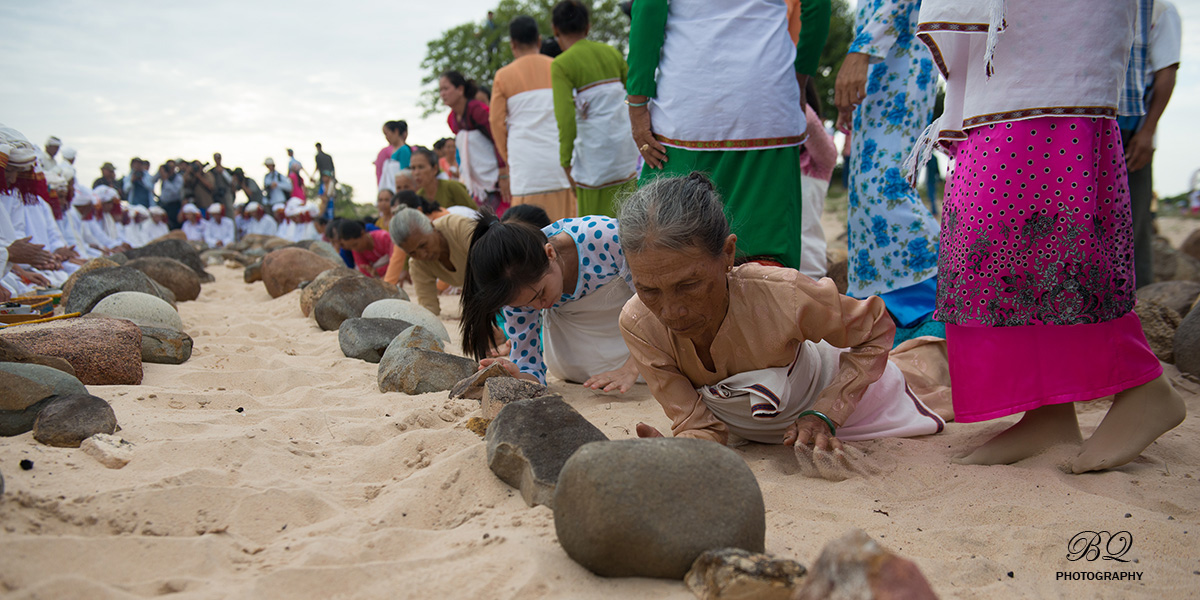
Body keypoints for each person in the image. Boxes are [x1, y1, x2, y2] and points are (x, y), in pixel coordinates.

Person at [913, 0, 1185, 473]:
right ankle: (1047, 410)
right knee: (989, 240)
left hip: (1059, 28)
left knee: (1040, 228)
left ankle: (1143, 385)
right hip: (1002, 38)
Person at [617, 174, 948, 461]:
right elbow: (700, 427)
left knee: (933, 372)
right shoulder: (640, 324)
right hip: (761, 432)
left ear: (728, 254)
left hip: (859, 401)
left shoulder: (783, 294)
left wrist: (826, 412)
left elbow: (874, 329)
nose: (671, 312)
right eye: (648, 290)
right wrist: (681, 454)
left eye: (689, 285)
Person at [627, 0, 829, 267]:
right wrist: (800, 78)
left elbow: (649, 8)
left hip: (686, 106)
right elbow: (817, 6)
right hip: (766, 102)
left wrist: (637, 101)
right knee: (765, 256)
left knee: (669, 248)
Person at [833, 0, 941, 331]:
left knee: (884, 185)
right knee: (863, 194)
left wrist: (861, 50)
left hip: (903, 58)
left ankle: (964, 280)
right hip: (875, 73)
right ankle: (889, 305)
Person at [463, 212, 642, 391]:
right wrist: (516, 375)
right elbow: (531, 371)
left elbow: (652, 300)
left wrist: (631, 368)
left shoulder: (604, 238)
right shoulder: (516, 294)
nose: (539, 306)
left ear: (550, 253)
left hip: (641, 336)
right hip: (575, 364)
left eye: (541, 293)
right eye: (526, 305)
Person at [550, 0, 639, 218]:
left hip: (593, 163)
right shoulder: (611, 53)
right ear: (588, 27)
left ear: (555, 30)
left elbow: (565, 119)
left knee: (594, 226)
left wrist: (565, 161)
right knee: (630, 221)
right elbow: (635, 95)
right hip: (625, 154)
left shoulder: (561, 64)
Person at [1118, 0, 1181, 287]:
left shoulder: (1160, 10)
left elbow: (1166, 72)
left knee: (1132, 219)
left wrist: (1148, 132)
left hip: (1132, 131)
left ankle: (1140, 296)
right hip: (1092, 125)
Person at [491, 15, 577, 223]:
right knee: (567, 231)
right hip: (561, 164)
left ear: (512, 44)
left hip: (526, 168)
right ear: (538, 40)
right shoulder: (558, 67)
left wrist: (509, 156)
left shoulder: (503, 76)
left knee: (526, 233)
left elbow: (495, 122)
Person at [440, 70, 509, 213]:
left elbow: (498, 137)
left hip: (496, 174)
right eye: (440, 90)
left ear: (460, 89)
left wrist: (503, 172)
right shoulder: (451, 119)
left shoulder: (477, 110)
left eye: (446, 89)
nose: (443, 94)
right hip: (476, 182)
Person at [388, 207, 476, 316]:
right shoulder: (417, 265)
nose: (422, 255)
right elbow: (429, 307)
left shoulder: (458, 227)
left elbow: (492, 266)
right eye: (412, 253)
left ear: (432, 227)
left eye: (423, 245)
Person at [799, 82, 837, 279]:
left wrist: (792, 87)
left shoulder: (819, 163)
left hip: (809, 271)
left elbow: (809, 123)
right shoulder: (765, 160)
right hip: (764, 270)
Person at [411, 147, 478, 212]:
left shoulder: (453, 187)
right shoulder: (419, 196)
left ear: (435, 169)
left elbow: (474, 212)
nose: (416, 173)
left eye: (421, 167)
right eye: (413, 168)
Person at [153, 160, 184, 228]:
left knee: (173, 226)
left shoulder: (178, 178)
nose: (170, 169)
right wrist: (159, 172)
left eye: (172, 167)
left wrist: (166, 180)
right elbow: (152, 181)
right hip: (163, 204)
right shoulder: (163, 176)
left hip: (174, 205)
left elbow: (175, 192)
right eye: (168, 167)